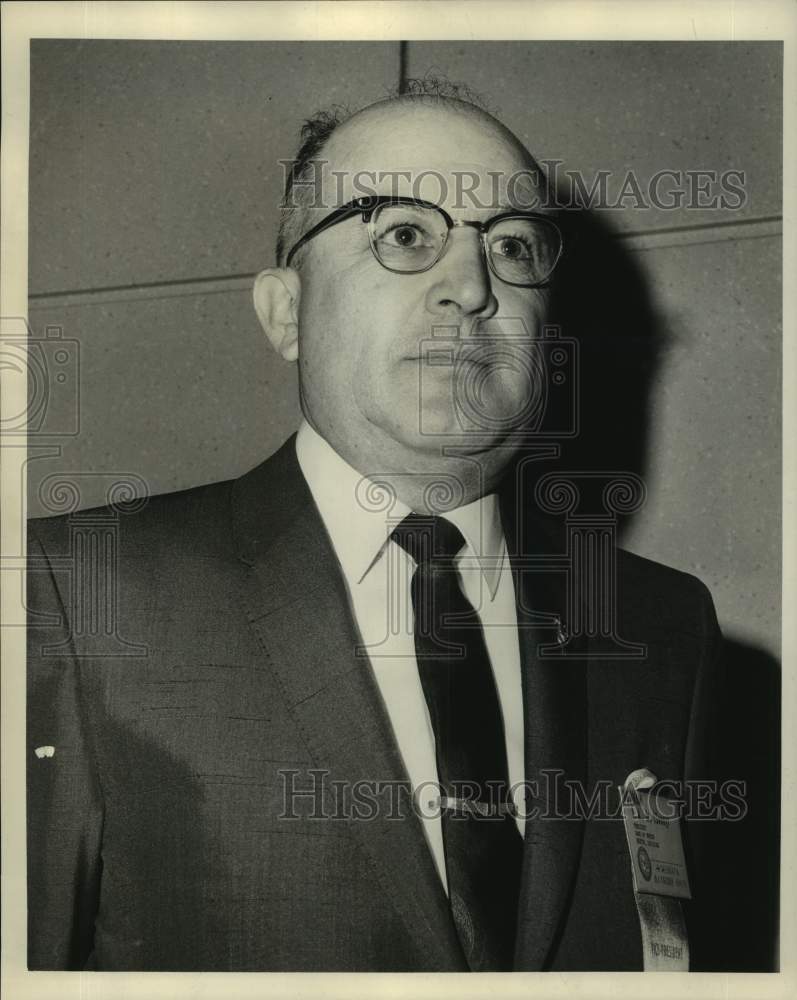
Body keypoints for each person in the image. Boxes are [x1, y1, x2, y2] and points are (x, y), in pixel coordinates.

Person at [27, 81, 726, 972]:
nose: (471, 287)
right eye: (403, 233)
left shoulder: (664, 630)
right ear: (285, 312)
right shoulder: (79, 596)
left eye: (511, 245)